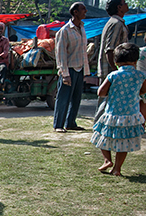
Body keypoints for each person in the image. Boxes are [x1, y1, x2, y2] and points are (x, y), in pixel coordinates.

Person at [91, 43, 146, 177]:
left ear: (116, 62)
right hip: (130, 115)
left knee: (102, 135)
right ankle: (117, 168)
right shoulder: (139, 75)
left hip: (112, 113)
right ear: (135, 61)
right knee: (124, 141)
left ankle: (107, 160)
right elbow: (145, 90)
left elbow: (101, 92)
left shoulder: (113, 76)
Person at [53, 2, 89, 133]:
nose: (85, 11)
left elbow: (83, 51)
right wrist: (64, 73)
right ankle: (58, 125)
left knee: (76, 98)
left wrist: (86, 70)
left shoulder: (82, 28)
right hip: (69, 69)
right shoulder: (65, 31)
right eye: (83, 9)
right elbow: (61, 54)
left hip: (80, 68)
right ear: (75, 12)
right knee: (63, 98)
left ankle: (71, 122)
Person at [95, 0, 129, 123]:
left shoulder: (116, 22)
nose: (127, 4)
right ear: (119, 7)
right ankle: (98, 127)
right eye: (124, 3)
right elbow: (110, 50)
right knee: (105, 100)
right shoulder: (116, 23)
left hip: (112, 69)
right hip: (110, 69)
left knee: (110, 100)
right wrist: (115, 71)